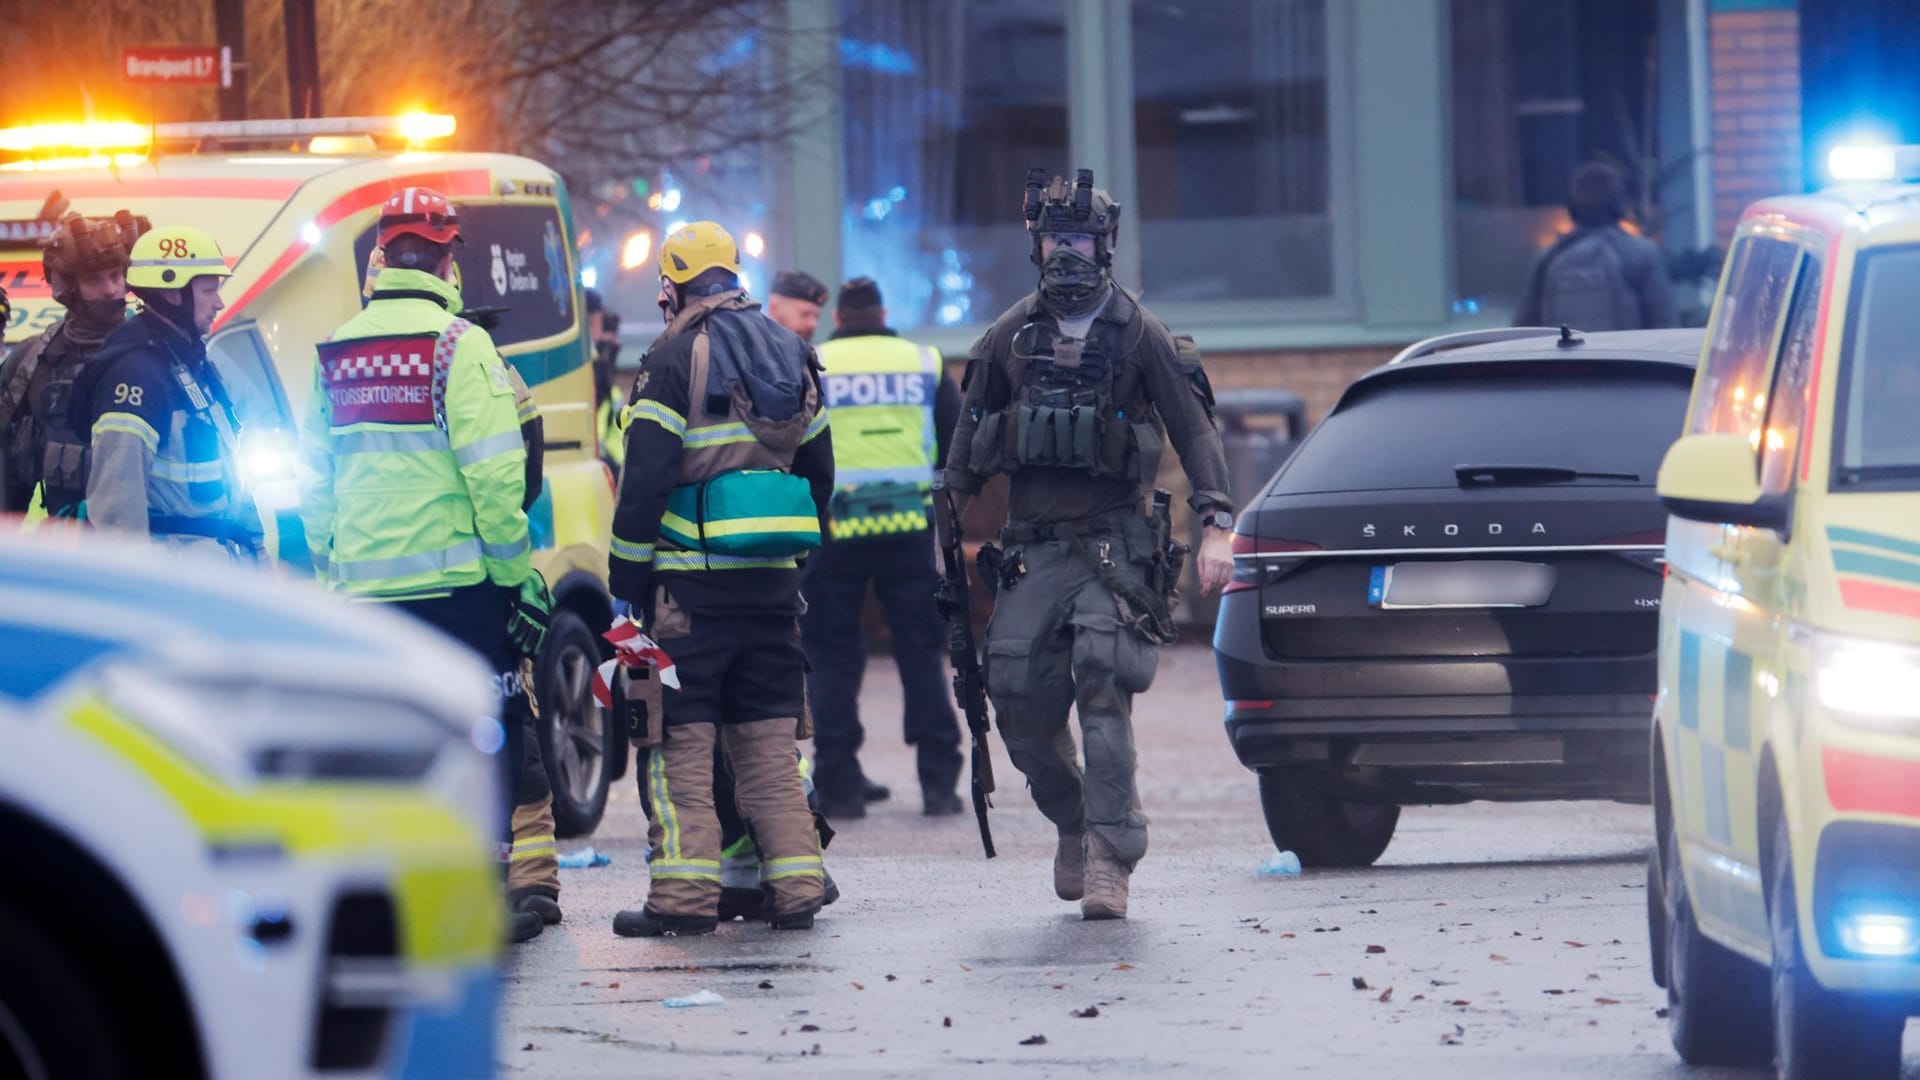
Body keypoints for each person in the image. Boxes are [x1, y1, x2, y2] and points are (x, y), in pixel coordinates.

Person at [940, 169, 1235, 920]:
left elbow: (1196, 433)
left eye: (1078, 240)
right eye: (1052, 240)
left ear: (1104, 245)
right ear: (1034, 246)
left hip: (1113, 546)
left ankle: (1110, 854)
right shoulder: (1009, 336)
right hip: (1032, 547)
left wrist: (1216, 525)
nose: (1065, 254)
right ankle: (1073, 820)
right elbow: (967, 449)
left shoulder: (1141, 335)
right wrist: (941, 529)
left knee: (1103, 688)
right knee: (1017, 706)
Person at [298, 187, 554, 944]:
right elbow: (494, 478)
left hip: (366, 594)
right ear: (447, 260)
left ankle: (396, 898)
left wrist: (329, 573)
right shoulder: (458, 345)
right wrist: (517, 580)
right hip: (460, 592)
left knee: (388, 746)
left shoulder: (338, 349)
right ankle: (480, 895)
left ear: (380, 258)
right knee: (489, 734)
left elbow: (316, 482)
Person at [608, 221, 831, 937]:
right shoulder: (793, 350)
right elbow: (820, 473)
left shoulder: (672, 356)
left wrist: (626, 579)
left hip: (687, 596)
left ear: (672, 286)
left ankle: (681, 901)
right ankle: (796, 891)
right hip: (770, 590)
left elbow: (643, 478)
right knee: (769, 747)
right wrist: (791, 559)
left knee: (679, 751)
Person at [801, 275, 965, 820]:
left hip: (834, 530)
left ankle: (840, 784)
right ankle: (939, 782)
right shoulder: (923, 361)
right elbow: (954, 440)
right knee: (920, 652)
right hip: (907, 526)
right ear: (884, 313)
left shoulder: (814, 360)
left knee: (832, 655)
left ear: (840, 318)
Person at [74, 225, 262, 557]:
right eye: (208, 291)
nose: (219, 303)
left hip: (219, 569)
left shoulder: (194, 364)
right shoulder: (136, 376)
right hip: (177, 580)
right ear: (172, 294)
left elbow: (233, 477)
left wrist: (258, 557)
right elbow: (116, 514)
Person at [1, 210, 147, 519]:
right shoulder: (31, 362)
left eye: (115, 276)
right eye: (94, 280)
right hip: (67, 553)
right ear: (66, 288)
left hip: (146, 549)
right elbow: (7, 471)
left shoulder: (156, 352)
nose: (110, 289)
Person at [1515, 161, 1677, 332]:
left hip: (1563, 359)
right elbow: (1665, 324)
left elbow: (1523, 328)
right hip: (1622, 357)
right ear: (1618, 205)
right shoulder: (1640, 253)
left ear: (1573, 208)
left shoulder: (1549, 259)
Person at [765, 269, 829, 343]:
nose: (813, 324)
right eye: (804, 314)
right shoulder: (752, 350)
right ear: (774, 308)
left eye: (817, 317)